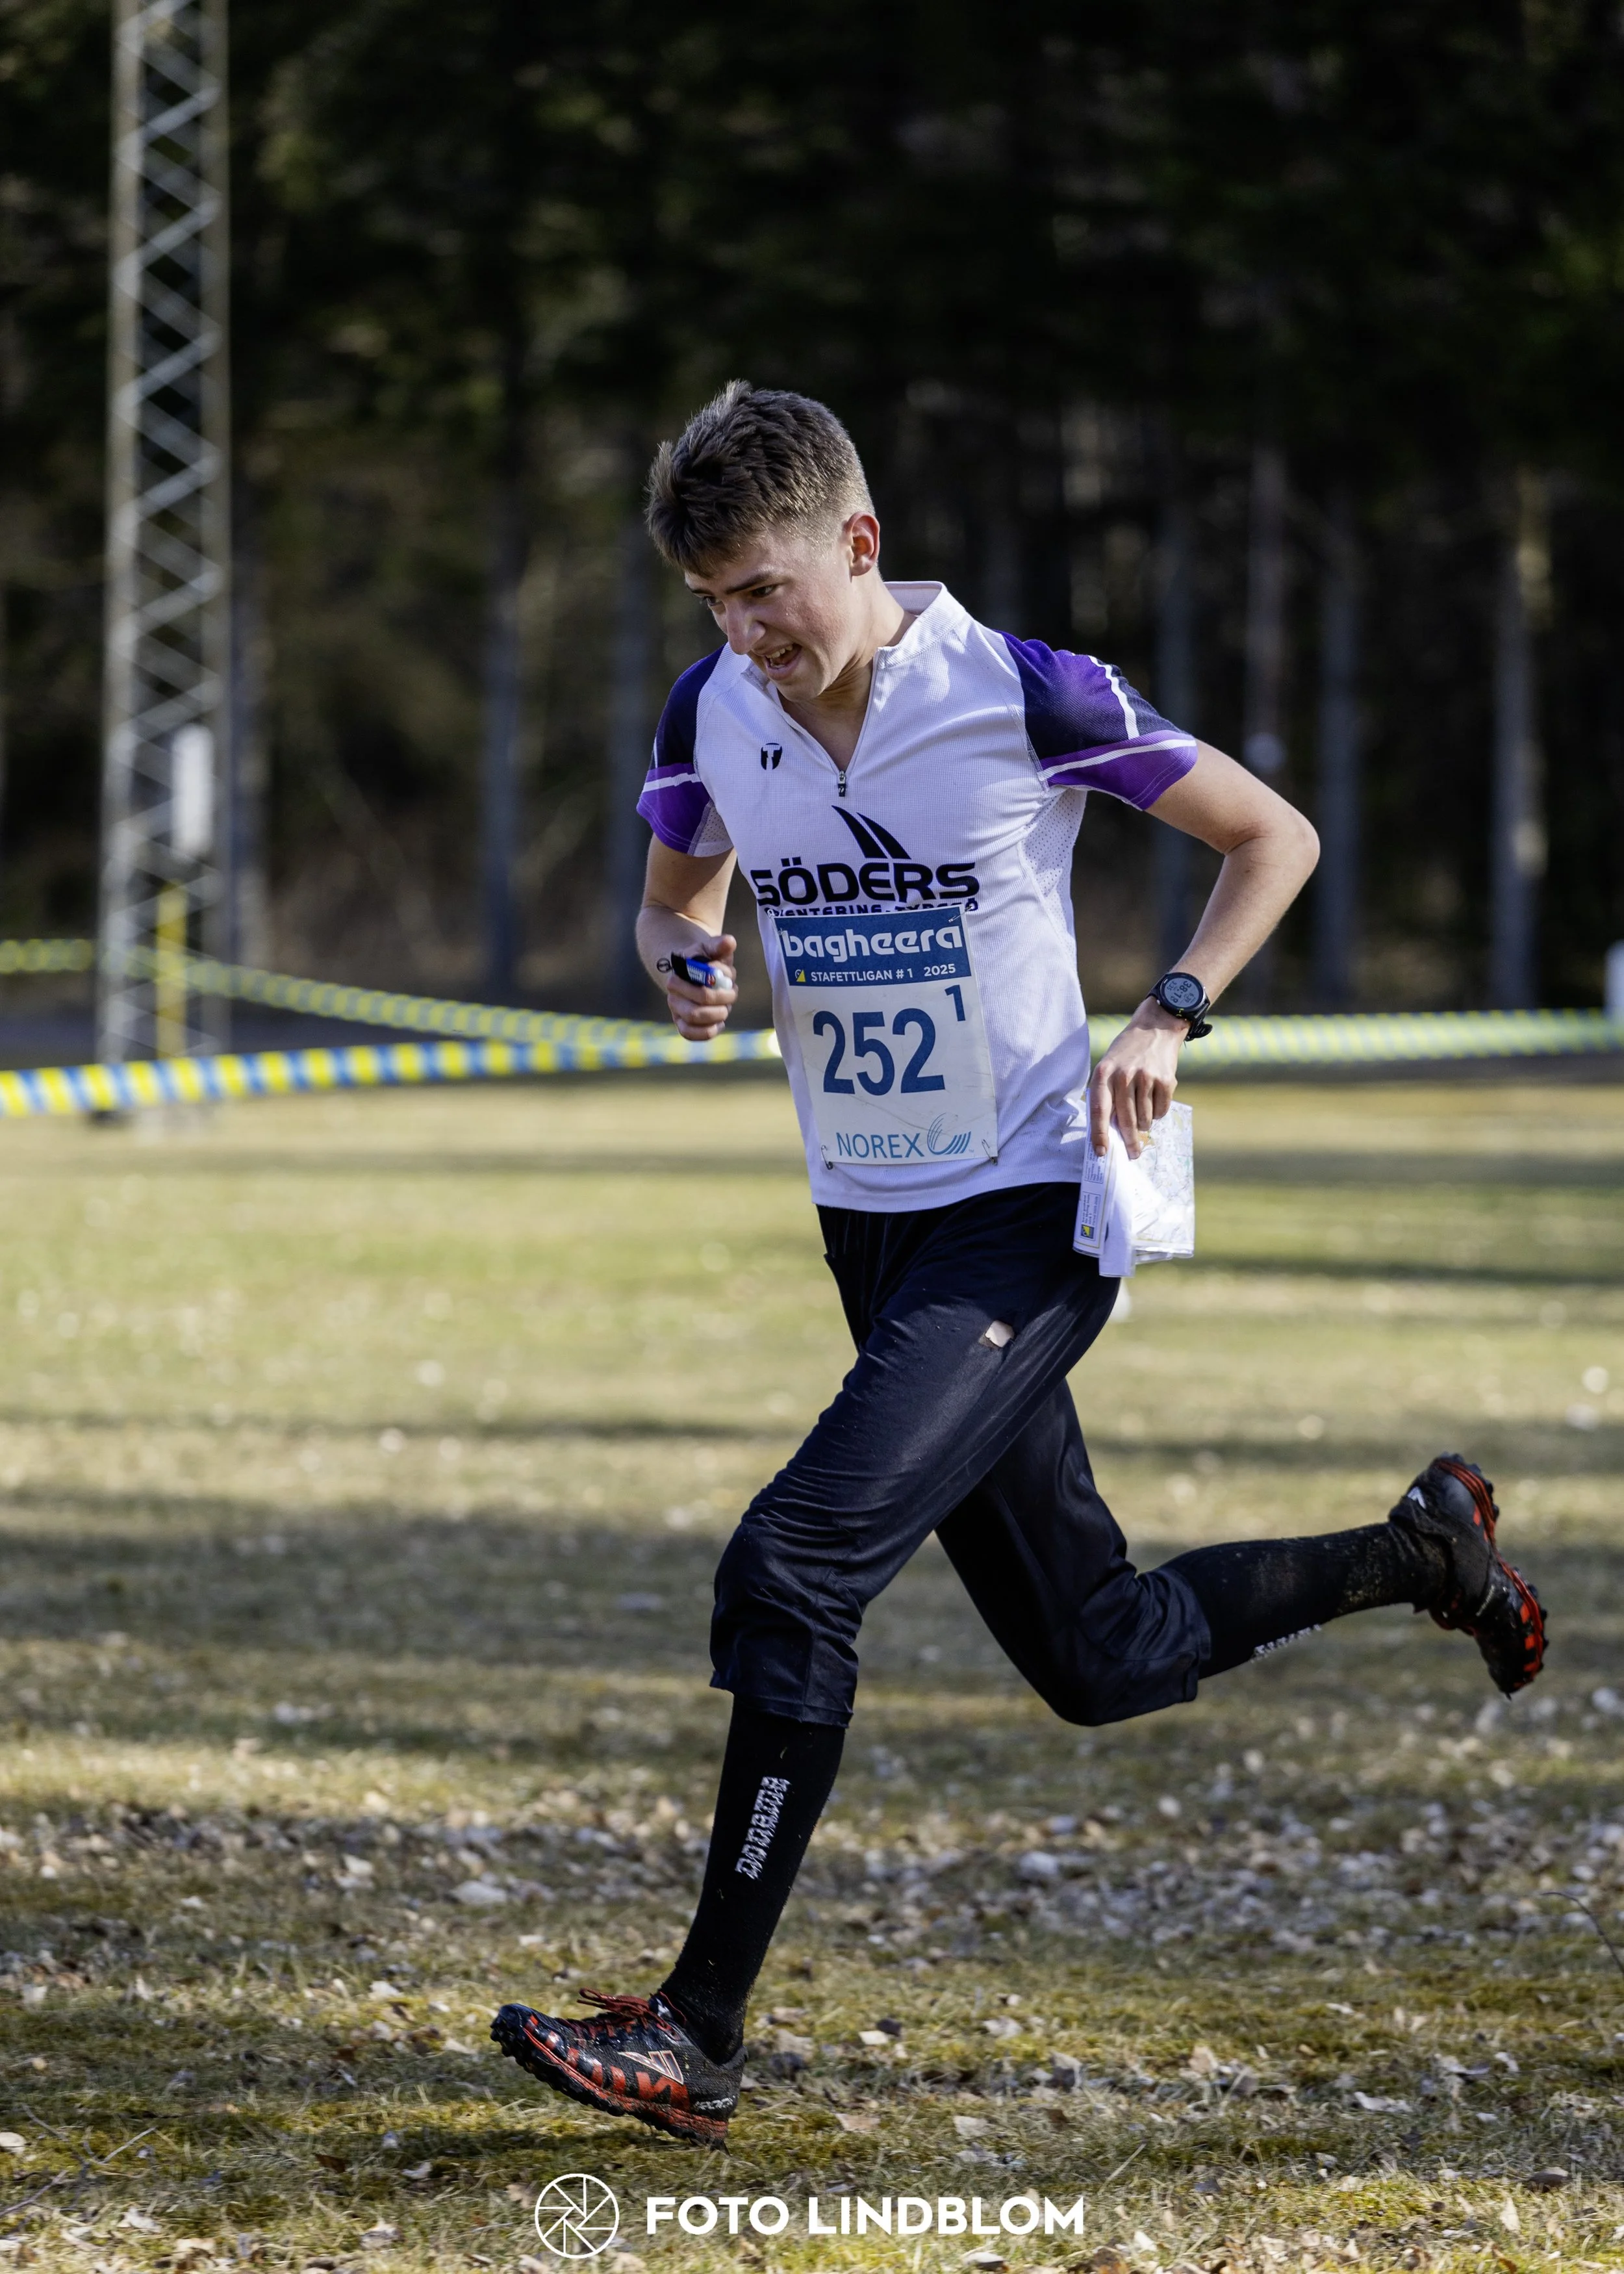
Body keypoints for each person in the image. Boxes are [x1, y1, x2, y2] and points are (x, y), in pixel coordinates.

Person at [491, 382, 1545, 2147]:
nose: (746, 636)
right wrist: (681, 952)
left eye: (768, 592)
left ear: (858, 543)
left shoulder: (1022, 691)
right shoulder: (712, 712)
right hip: (874, 1224)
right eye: (713, 605)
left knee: (793, 1568)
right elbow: (675, 892)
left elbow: (1264, 834)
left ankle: (698, 2031)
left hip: (1034, 1212)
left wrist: (1172, 1008)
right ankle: (1418, 1545)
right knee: (1097, 1650)